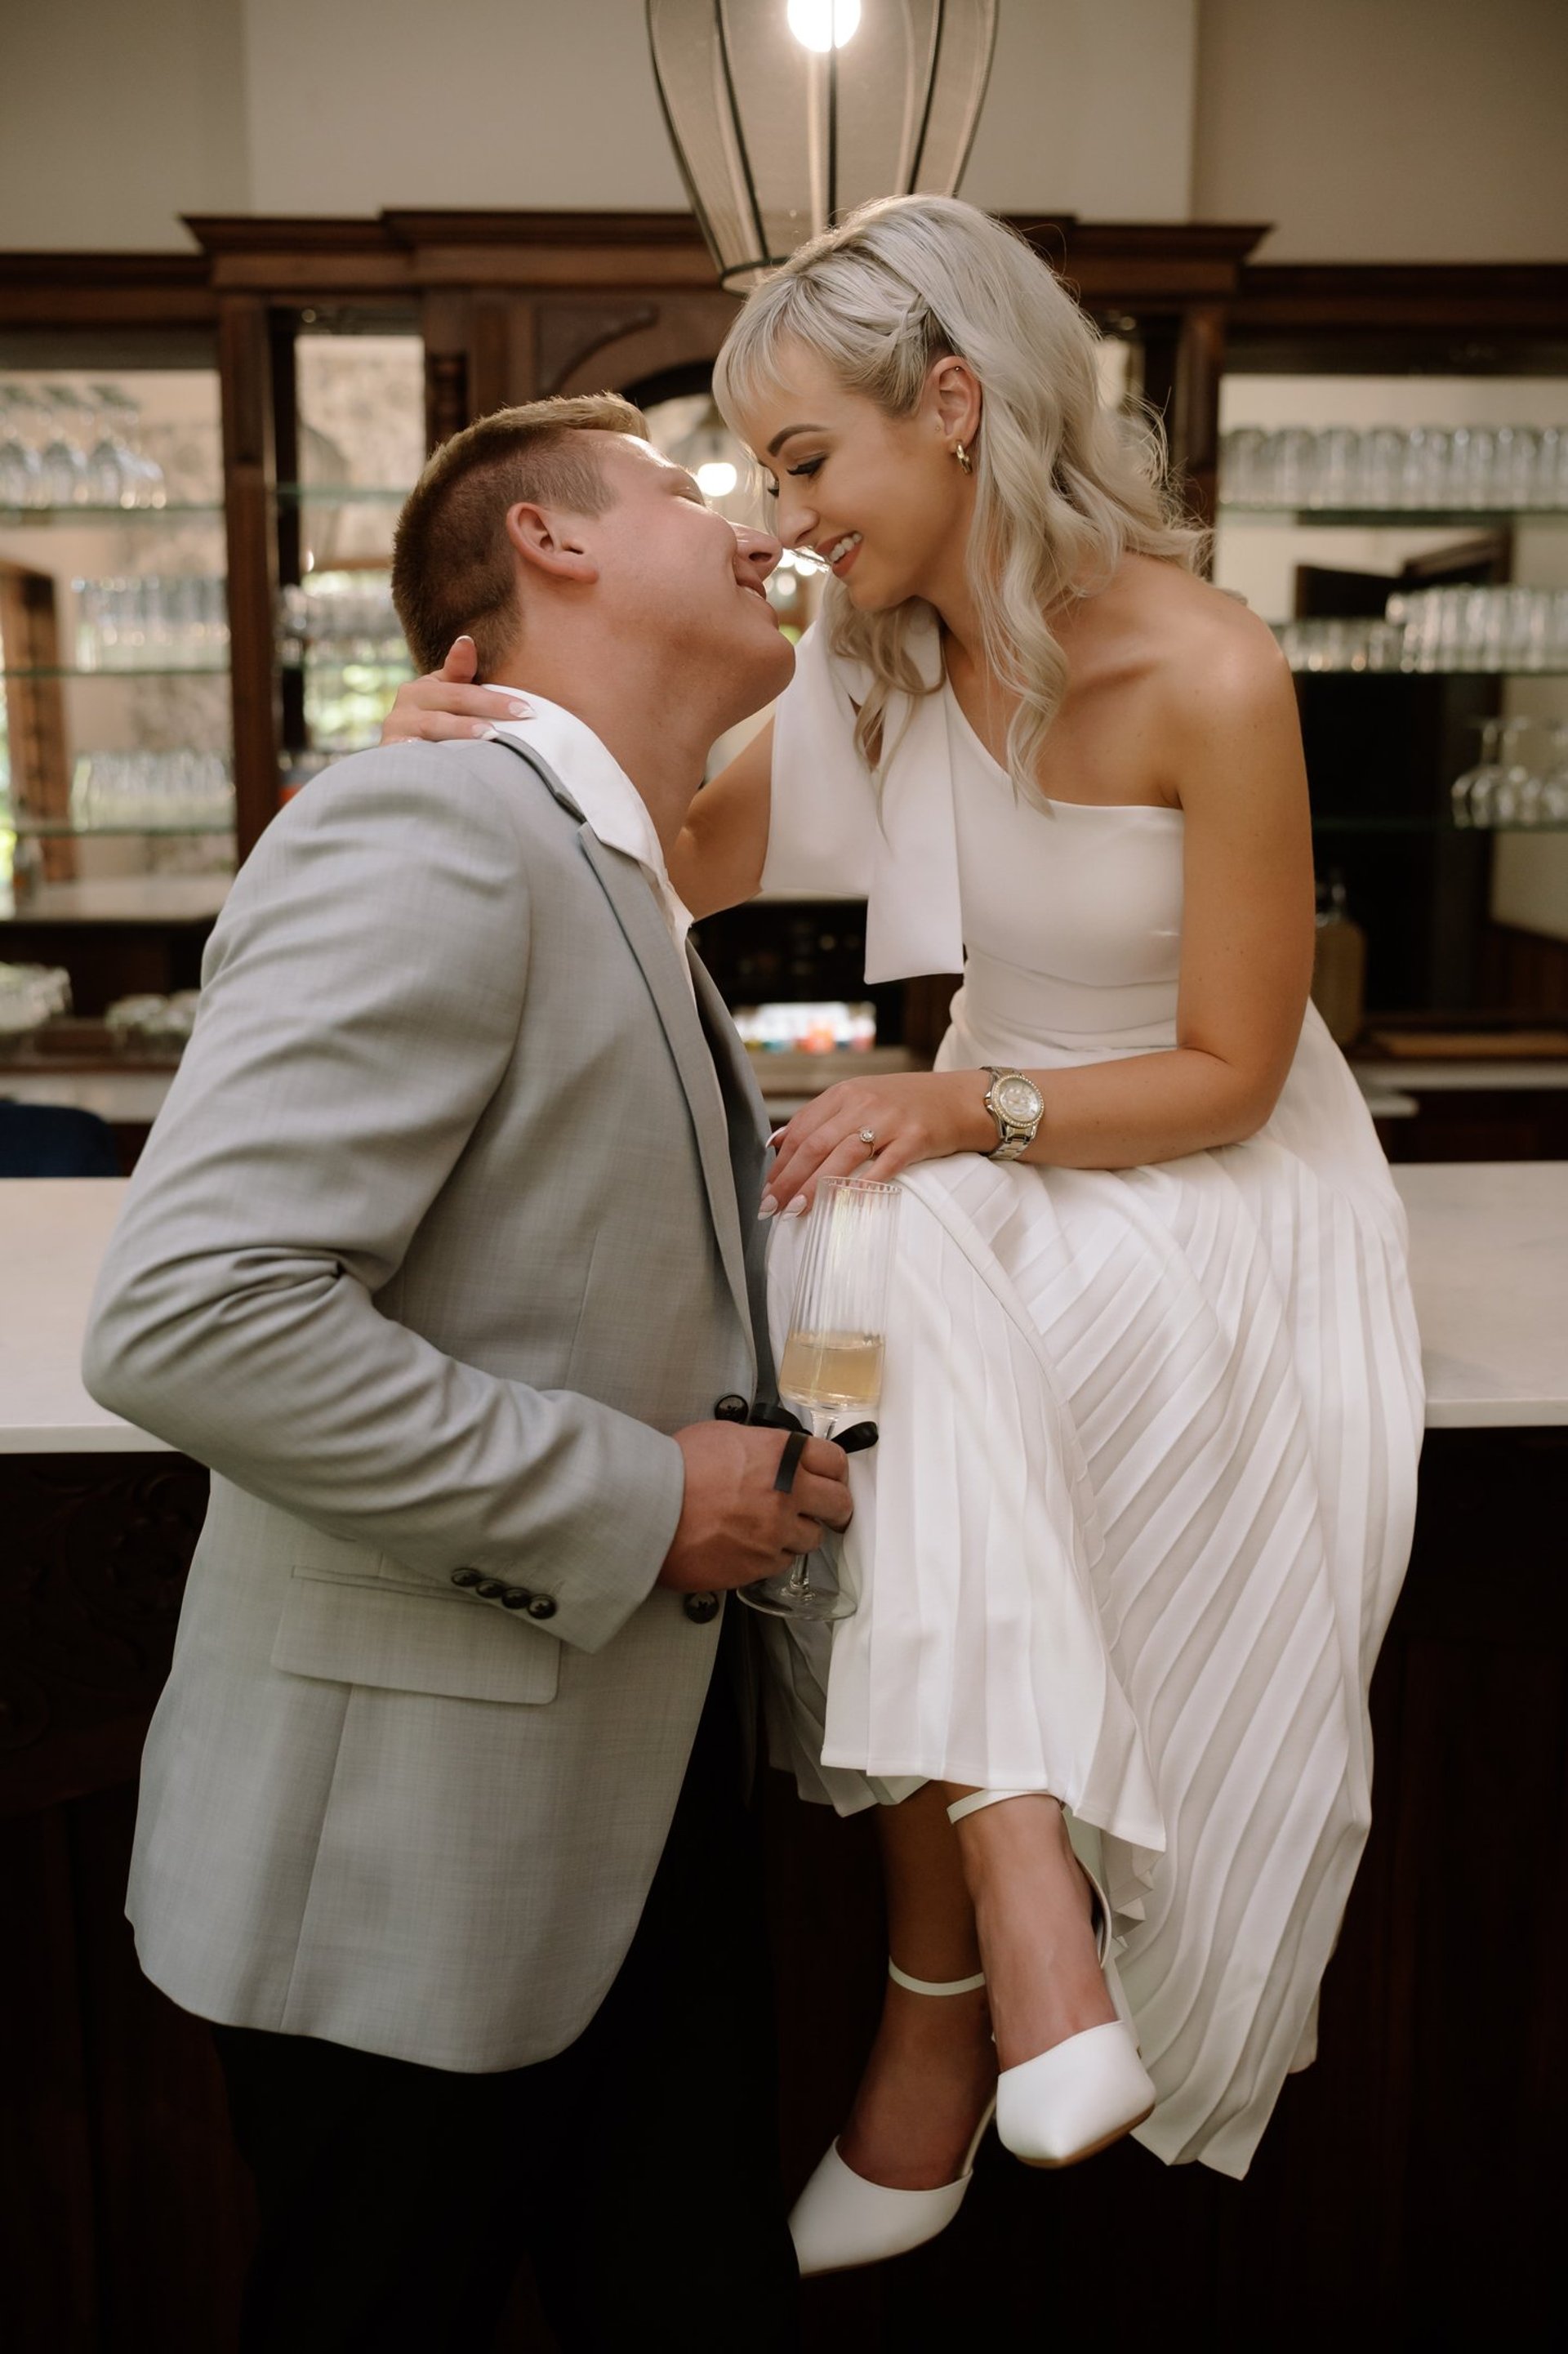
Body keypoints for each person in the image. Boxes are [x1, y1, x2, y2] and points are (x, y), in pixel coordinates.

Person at [383, 197, 1425, 2269]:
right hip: (987, 1162)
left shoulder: (1212, 668)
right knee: (865, 1279)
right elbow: (670, 852)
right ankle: (1023, 1908)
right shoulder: (871, 666)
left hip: (1196, 1160)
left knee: (881, 1278)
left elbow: (1236, 1068)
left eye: (803, 464)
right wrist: (475, 749)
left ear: (953, 405)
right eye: (759, 480)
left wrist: (968, 1104)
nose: (781, 526)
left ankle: (939, 1998)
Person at [82, 393, 849, 2349]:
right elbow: (196, 1312)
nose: (752, 524)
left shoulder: (610, 869)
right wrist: (644, 1499)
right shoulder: (434, 819)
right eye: (687, 487)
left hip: (632, 1807)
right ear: (549, 541)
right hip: (406, 1863)